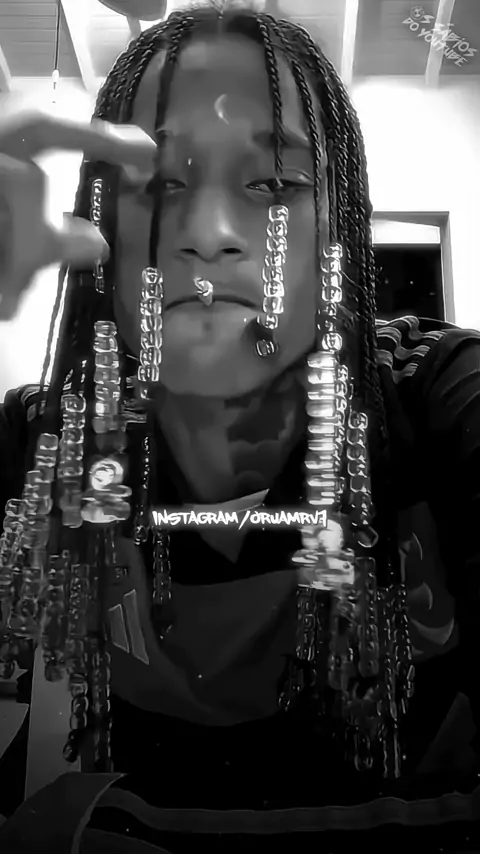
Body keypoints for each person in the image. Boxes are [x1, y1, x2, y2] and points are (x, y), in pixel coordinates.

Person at [0, 2, 480, 851]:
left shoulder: (436, 399)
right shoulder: (42, 452)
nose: (212, 237)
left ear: (340, 224)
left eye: (272, 185)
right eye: (159, 185)